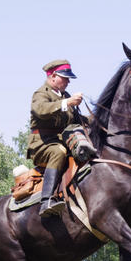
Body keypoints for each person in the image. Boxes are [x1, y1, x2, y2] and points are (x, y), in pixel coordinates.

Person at [27, 59, 87, 217]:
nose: (68, 82)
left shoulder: (65, 96)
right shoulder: (41, 94)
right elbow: (41, 110)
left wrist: (103, 117)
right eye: (65, 78)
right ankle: (46, 201)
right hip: (42, 145)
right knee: (58, 152)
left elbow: (79, 120)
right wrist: (67, 102)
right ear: (53, 76)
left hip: (62, 142)